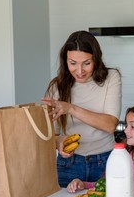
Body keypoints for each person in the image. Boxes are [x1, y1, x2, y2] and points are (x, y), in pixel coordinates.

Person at [42, 30, 122, 188]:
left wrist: (70, 108)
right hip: (68, 164)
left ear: (96, 59)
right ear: (65, 61)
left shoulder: (111, 78)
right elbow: (49, 135)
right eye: (73, 63)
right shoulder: (57, 87)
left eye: (86, 63)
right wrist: (58, 143)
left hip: (105, 160)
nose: (79, 71)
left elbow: (110, 125)